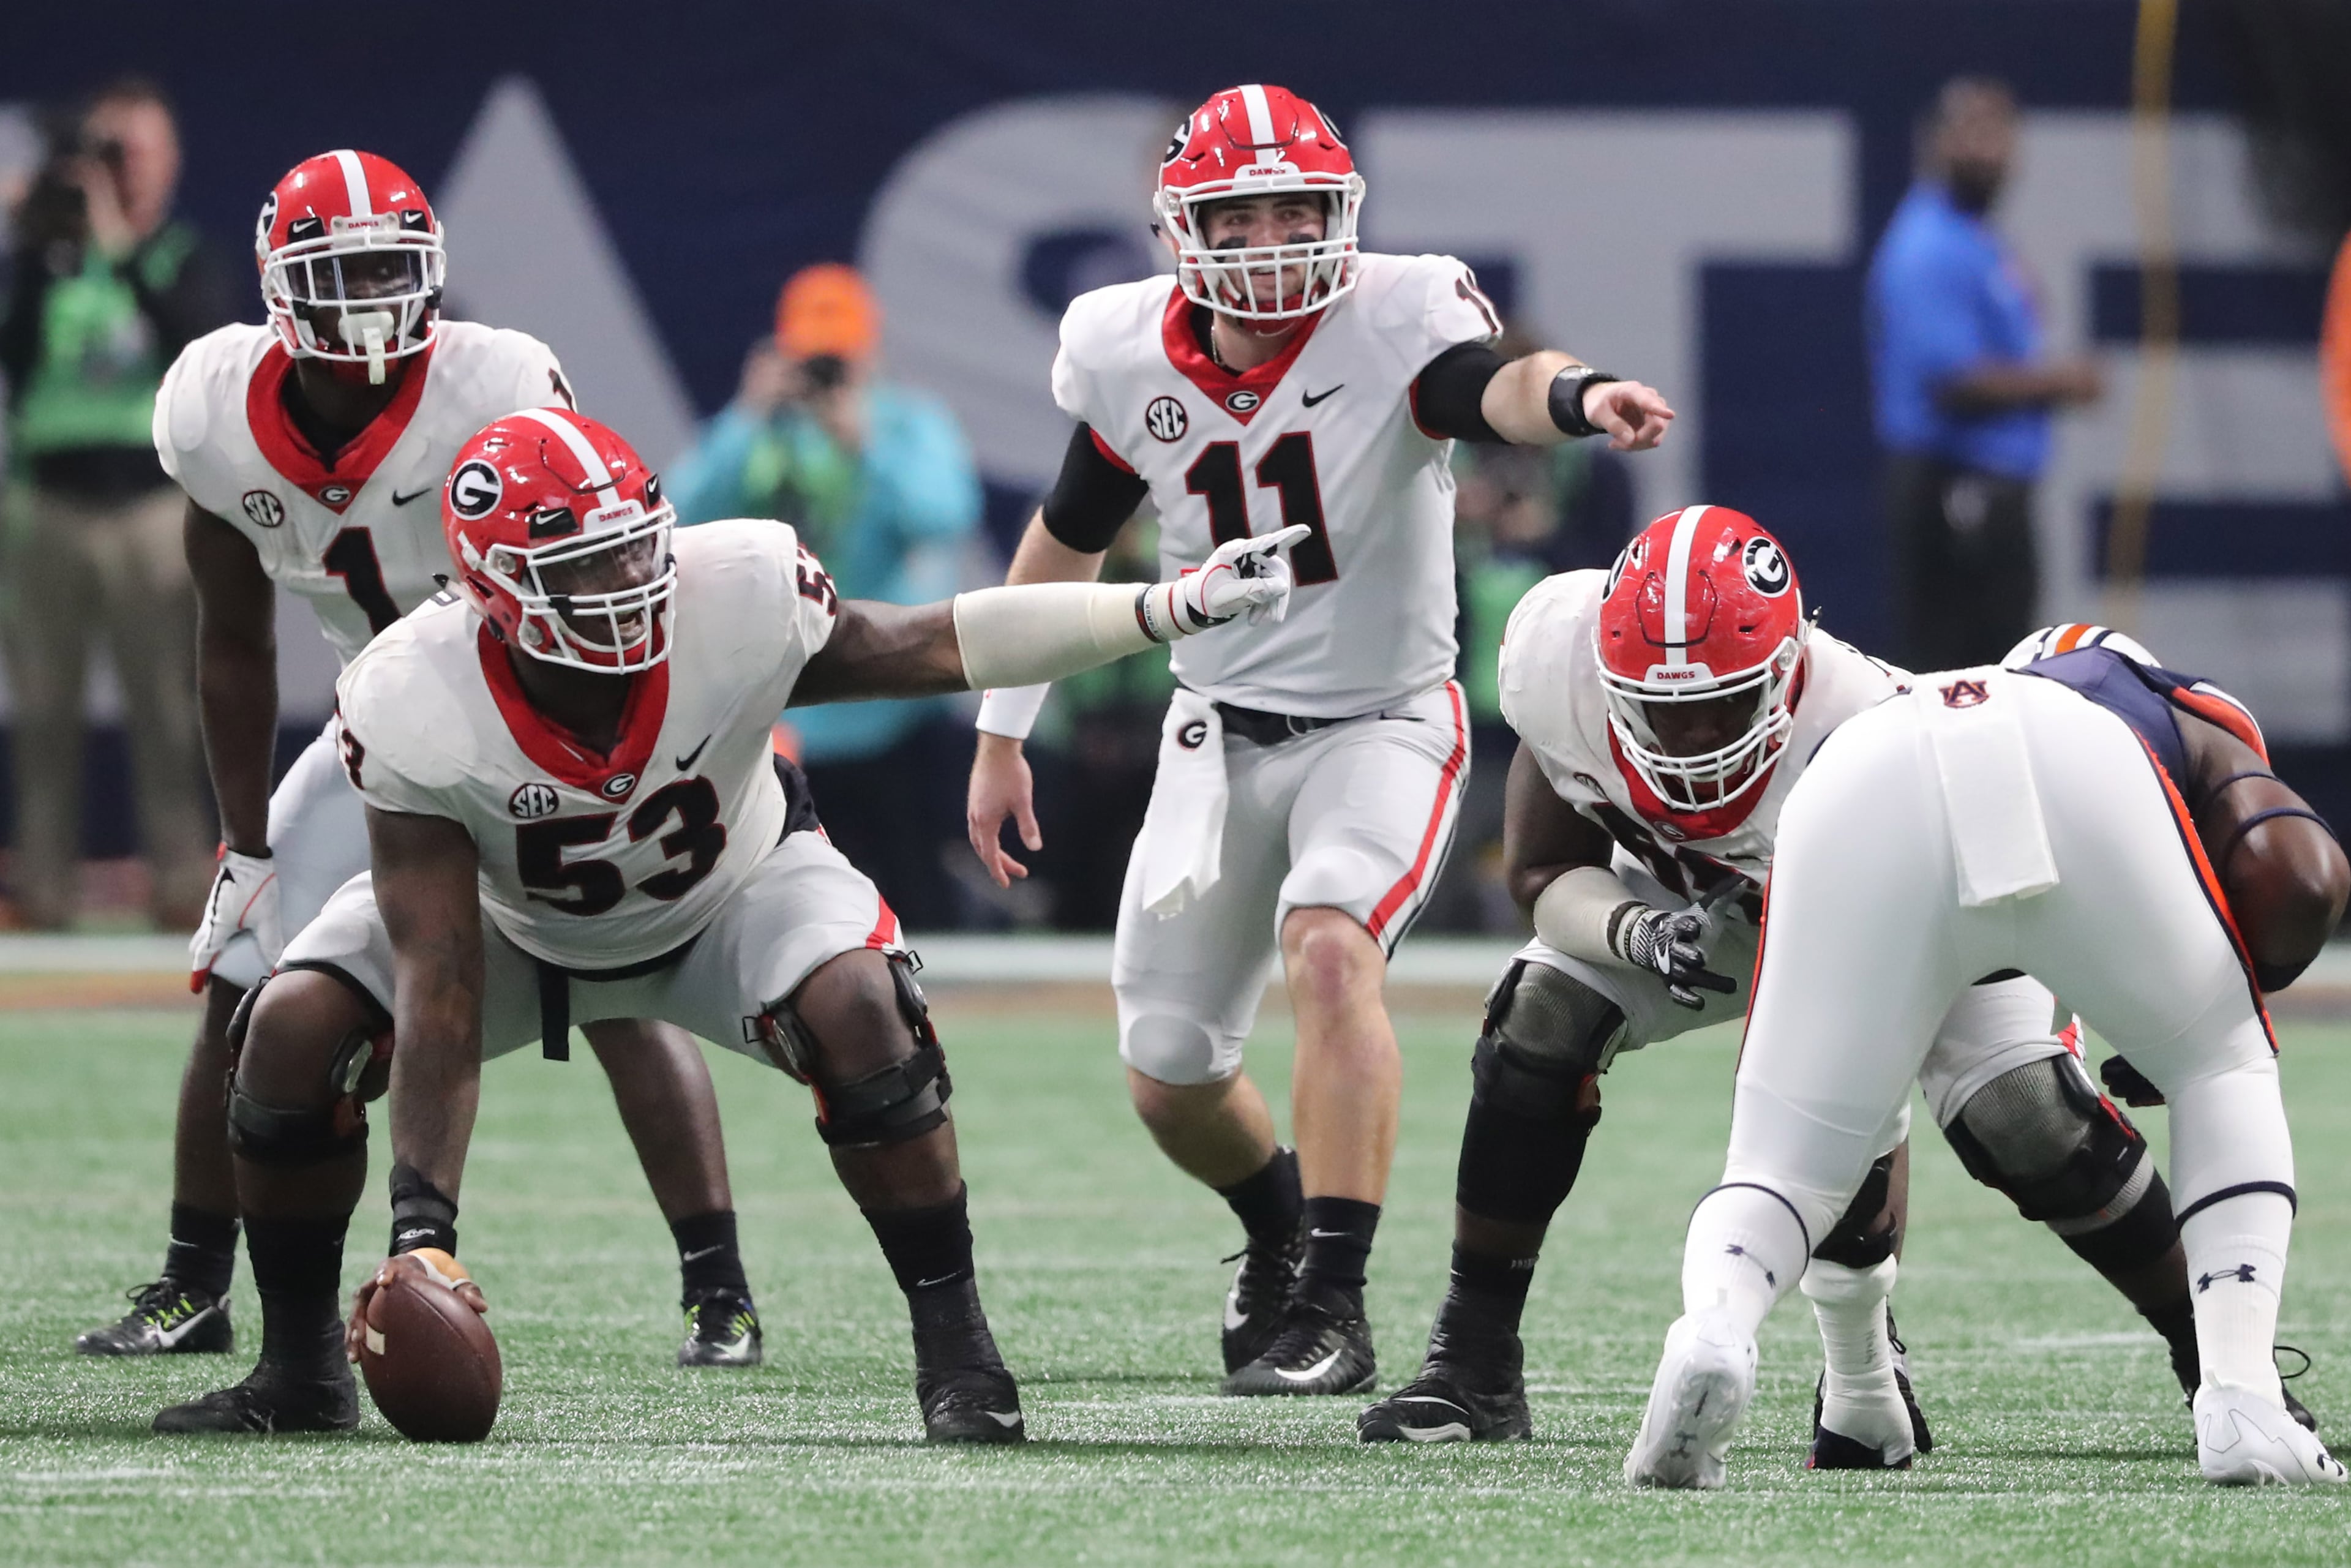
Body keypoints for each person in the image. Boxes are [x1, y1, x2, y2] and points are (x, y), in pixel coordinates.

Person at [151, 405, 1302, 1439]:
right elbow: (440, 972)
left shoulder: (738, 589)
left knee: (865, 1008)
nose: (622, 587)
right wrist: (423, 1235)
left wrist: (1161, 609)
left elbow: (933, 641)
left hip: (730, 894)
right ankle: (300, 1369)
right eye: (581, 567)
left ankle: (960, 1351)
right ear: (493, 595)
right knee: (291, 1030)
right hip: (516, 925)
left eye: (630, 551)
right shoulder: (413, 696)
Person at [963, 83, 1674, 1397]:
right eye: (1251, 213)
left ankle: (1336, 1303)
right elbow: (1063, 540)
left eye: (1305, 207)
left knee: (1332, 944)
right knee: (1171, 1071)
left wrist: (1578, 399)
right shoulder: (1128, 353)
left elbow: (1494, 385)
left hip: (1384, 718)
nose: (1284, 234)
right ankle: (1281, 1226)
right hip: (1212, 730)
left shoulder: (1395, 317)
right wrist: (1004, 726)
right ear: (1188, 230)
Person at [1359, 508, 2309, 1463]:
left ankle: (2219, 1365)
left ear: (1786, 672)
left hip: (1911, 895)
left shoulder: (1861, 740)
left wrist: (1854, 1344)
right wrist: (1632, 931)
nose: (1690, 739)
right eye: (1659, 709)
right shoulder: (1557, 657)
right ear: (1605, 675)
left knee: (2023, 1117)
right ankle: (1472, 1355)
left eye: (1723, 707)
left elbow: (1863, 1093)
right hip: (1698, 911)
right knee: (1542, 1011)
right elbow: (1539, 872)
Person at [79, 151, 765, 1375]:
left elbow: (598, 554)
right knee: (246, 977)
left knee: (610, 986)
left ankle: (720, 1287)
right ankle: (194, 1276)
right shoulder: (214, 408)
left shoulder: (495, 376)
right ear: (279, 286)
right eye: (341, 277)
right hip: (386, 735)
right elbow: (232, 639)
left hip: (528, 720)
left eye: (393, 270)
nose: (372, 303)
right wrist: (244, 846)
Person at [1627, 635, 2347, 1488]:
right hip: (2074, 769)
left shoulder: (1920, 700)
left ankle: (1717, 1323)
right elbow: (2305, 879)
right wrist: (2209, 1014)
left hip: (1866, 771)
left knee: (1780, 1168)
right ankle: (2243, 1396)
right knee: (2224, 1065)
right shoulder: (2170, 709)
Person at [668, 263, 981, 928]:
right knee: (801, 889)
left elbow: (944, 515)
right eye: (814, 360)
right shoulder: (759, 431)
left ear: (871, 349)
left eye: (838, 358)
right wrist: (748, 415)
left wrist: (862, 443)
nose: (826, 375)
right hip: (793, 696)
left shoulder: (906, 423)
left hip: (893, 692)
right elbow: (681, 516)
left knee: (915, 876)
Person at [0, 77, 231, 930]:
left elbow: (191, 344)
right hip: (48, 503)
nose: (117, 171)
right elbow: (17, 358)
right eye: (107, 152)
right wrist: (32, 245)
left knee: (168, 709)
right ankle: (44, 887)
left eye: (132, 153)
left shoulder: (175, 254)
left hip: (147, 504)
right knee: (44, 711)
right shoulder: (49, 257)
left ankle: (180, 886)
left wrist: (118, 244)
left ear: (165, 162)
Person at [1866, 77, 2103, 671]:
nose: (1988, 152)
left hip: (1991, 492)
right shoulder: (1927, 245)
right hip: (1956, 490)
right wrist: (2060, 383)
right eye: (1971, 132)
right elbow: (1953, 381)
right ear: (1935, 144)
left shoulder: (1978, 241)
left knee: (2009, 660)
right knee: (1962, 672)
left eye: (2000, 135)